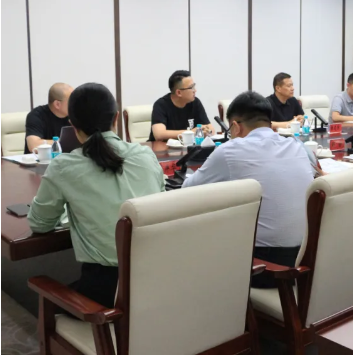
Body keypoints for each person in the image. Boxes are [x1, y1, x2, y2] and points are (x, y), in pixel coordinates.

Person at [28, 83, 165, 308]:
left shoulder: (63, 166)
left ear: (72, 125)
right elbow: (161, 202)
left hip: (107, 293)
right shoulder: (145, 155)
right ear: (116, 117)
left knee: (48, 301)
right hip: (159, 279)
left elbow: (39, 224)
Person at [182, 91, 314, 288]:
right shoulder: (297, 145)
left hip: (265, 269)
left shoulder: (229, 150)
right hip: (305, 262)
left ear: (235, 126)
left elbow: (186, 192)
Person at [150, 70, 213, 141]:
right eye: (191, 87)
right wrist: (191, 132)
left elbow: (211, 130)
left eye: (194, 86)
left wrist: (206, 131)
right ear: (179, 92)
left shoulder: (195, 102)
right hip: (162, 147)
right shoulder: (161, 105)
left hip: (188, 146)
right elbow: (159, 135)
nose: (195, 90)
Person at [24, 83, 74, 154]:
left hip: (66, 159)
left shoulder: (75, 115)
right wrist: (64, 142)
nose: (75, 104)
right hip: (41, 159)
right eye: (71, 101)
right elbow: (33, 145)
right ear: (57, 104)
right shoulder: (36, 116)